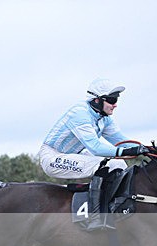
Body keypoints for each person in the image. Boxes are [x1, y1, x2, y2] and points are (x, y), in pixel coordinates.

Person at [38, 78, 152, 230]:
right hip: (52, 157)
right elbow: (96, 148)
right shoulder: (80, 113)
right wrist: (129, 151)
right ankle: (96, 217)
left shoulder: (103, 118)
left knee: (118, 164)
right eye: (112, 100)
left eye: (116, 99)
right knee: (102, 165)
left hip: (76, 153)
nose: (115, 104)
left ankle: (114, 206)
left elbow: (121, 141)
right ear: (97, 100)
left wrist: (147, 149)